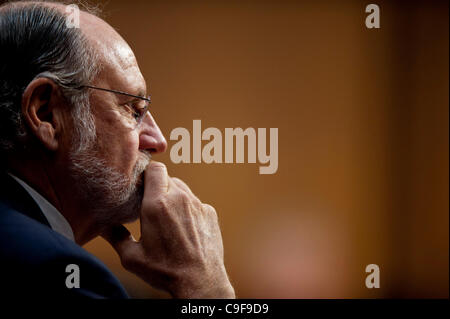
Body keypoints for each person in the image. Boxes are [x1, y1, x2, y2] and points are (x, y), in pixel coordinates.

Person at [0, 0, 235, 299]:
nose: (158, 140)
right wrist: (206, 286)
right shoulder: (54, 270)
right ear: (46, 113)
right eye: (133, 110)